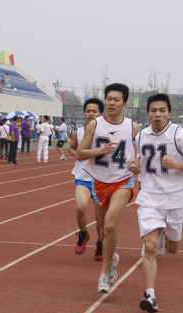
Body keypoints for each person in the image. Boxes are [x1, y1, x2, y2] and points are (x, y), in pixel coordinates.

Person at [135, 94, 183, 313]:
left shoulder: (179, 136)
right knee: (150, 247)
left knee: (173, 249)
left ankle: (166, 236)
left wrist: (175, 164)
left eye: (162, 111)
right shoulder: (141, 136)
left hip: (175, 199)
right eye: (153, 110)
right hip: (149, 197)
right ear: (148, 113)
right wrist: (135, 168)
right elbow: (140, 162)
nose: (157, 115)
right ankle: (150, 295)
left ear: (169, 113)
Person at [77, 83, 140, 294]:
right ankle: (112, 258)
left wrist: (137, 164)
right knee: (103, 231)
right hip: (99, 181)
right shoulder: (95, 125)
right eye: (109, 99)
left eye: (116, 100)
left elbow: (141, 156)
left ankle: (104, 274)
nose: (112, 103)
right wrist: (101, 150)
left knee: (111, 226)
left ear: (125, 103)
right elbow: (80, 153)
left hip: (123, 181)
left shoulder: (133, 127)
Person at [69, 98, 104, 260]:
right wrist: (76, 154)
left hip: (101, 180)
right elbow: (72, 146)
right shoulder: (80, 131)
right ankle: (83, 233)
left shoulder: (106, 132)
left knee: (100, 220)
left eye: (94, 111)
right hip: (82, 177)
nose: (90, 114)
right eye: (88, 111)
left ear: (101, 113)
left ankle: (101, 244)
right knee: (81, 207)